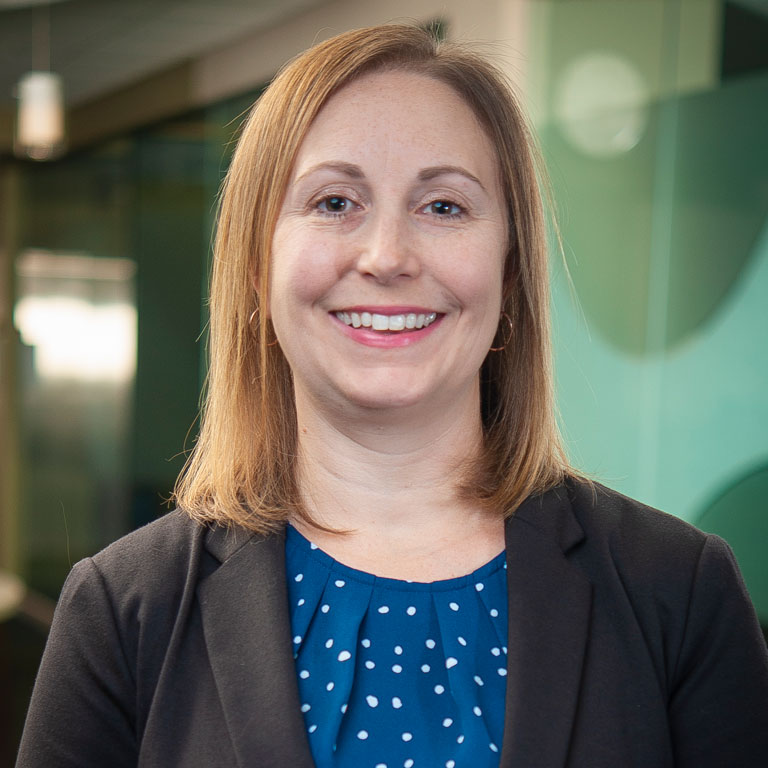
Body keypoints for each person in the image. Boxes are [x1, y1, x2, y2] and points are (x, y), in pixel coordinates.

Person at [16, 24, 768, 768]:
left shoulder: (678, 590)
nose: (386, 257)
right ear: (255, 265)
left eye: (444, 207)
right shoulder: (122, 611)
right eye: (336, 201)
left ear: (509, 273)